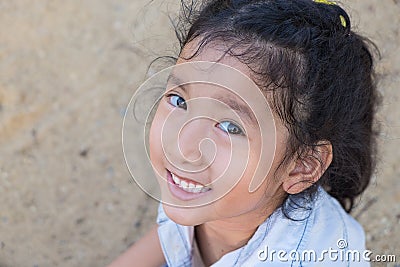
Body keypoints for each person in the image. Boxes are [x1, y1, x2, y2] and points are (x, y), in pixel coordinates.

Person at [109, 0, 379, 266]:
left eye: (230, 127)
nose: (183, 145)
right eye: (180, 101)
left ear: (301, 167)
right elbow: (170, 235)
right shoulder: (201, 190)